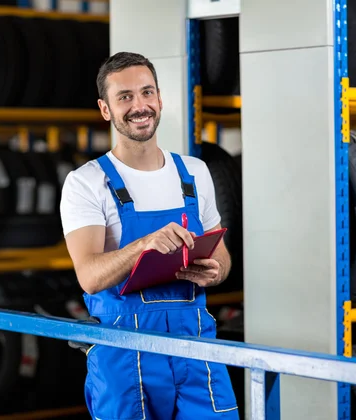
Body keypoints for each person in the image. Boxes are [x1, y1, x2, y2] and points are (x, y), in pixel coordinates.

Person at [60, 52, 239, 420]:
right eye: (124, 96)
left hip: (195, 348)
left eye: (146, 93)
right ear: (105, 109)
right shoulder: (87, 183)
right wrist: (143, 244)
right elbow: (90, 277)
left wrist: (216, 270)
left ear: (159, 99)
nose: (138, 105)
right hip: (125, 353)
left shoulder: (194, 172)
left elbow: (222, 257)